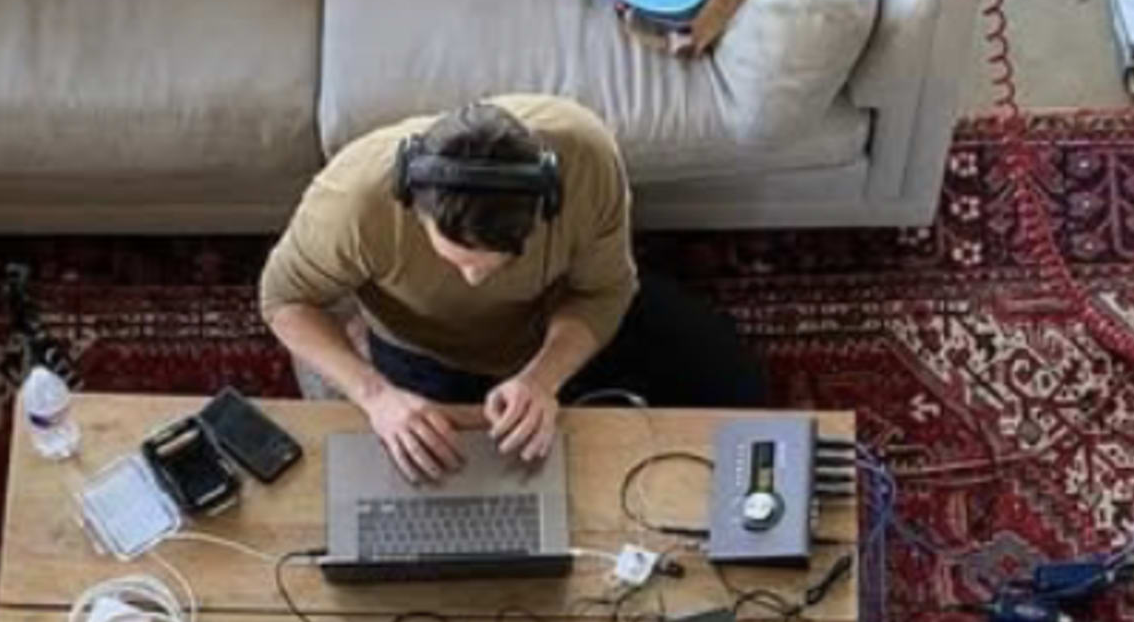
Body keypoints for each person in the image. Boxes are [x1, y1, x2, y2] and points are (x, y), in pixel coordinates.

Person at [256, 93, 766, 483]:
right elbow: (283, 300)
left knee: (740, 389)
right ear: (410, 200)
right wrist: (377, 396)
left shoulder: (586, 157)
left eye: (496, 263)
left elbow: (603, 292)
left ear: (546, 202)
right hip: (431, 351)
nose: (475, 280)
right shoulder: (352, 201)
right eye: (455, 260)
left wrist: (543, 379)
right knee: (451, 471)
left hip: (553, 319)